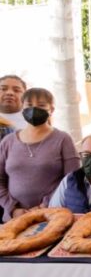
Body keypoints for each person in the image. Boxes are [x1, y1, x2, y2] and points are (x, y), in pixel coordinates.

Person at [0, 88, 79, 221]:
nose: (34, 109)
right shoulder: (8, 141)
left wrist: (46, 205)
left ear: (51, 109)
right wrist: (12, 208)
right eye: (29, 105)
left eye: (41, 105)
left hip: (53, 216)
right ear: (22, 107)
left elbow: (72, 179)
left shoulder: (63, 139)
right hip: (14, 219)